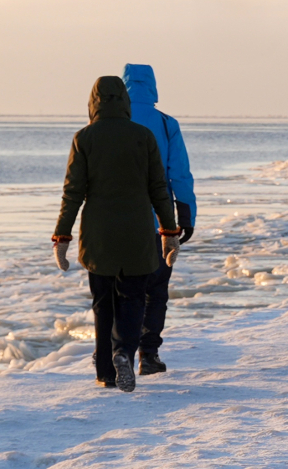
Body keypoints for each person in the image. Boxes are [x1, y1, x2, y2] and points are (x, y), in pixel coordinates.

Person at [51, 76, 182, 392]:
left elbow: (73, 192)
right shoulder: (144, 136)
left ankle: (105, 372)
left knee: (103, 301)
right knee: (134, 298)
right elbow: (158, 189)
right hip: (138, 230)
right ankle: (124, 351)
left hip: (99, 234)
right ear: (123, 100)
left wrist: (62, 236)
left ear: (93, 102)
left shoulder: (85, 138)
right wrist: (169, 231)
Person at [120, 64, 195, 377]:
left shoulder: (110, 123)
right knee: (156, 290)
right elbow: (179, 173)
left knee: (124, 290)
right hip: (160, 223)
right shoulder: (166, 124)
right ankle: (148, 354)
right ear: (152, 87)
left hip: (120, 223)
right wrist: (186, 214)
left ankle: (120, 350)